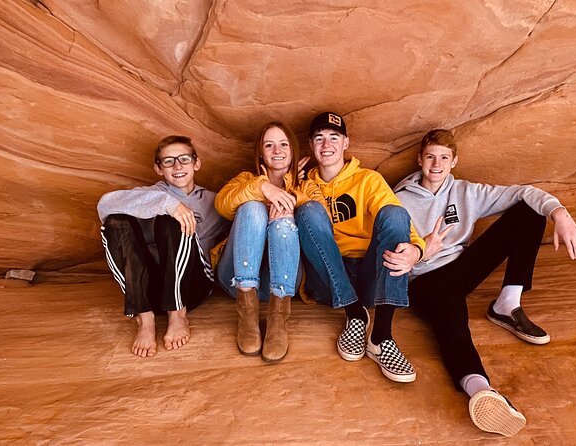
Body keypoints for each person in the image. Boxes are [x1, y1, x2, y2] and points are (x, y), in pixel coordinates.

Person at [394, 128, 576, 436]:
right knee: (453, 324)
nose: (436, 164)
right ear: (419, 159)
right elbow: (390, 251)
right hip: (424, 281)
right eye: (430, 157)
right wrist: (421, 252)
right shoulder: (399, 200)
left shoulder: (466, 192)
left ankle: (507, 304)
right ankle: (480, 389)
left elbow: (524, 192)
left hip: (460, 270)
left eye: (444, 157)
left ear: (454, 161)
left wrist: (559, 213)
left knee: (529, 211)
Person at [295, 112, 426, 383]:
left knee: (394, 213)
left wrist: (417, 249)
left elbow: (398, 219)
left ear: (346, 143)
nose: (326, 144)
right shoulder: (303, 184)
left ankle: (381, 337)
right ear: (311, 144)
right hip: (327, 277)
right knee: (308, 211)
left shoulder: (368, 180)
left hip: (367, 274)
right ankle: (354, 312)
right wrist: (290, 181)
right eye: (319, 138)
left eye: (334, 137)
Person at [98, 135, 229, 358]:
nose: (177, 166)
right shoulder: (150, 195)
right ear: (159, 169)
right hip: (150, 289)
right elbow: (105, 204)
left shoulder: (213, 201)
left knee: (172, 223)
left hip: (191, 287)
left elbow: (244, 211)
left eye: (184, 159)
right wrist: (167, 205)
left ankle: (177, 315)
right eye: (168, 161)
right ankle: (144, 317)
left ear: (196, 163)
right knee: (116, 222)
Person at [214, 122, 325, 362]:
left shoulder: (306, 186)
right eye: (269, 145)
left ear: (292, 151)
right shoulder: (246, 179)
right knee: (252, 207)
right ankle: (248, 314)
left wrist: (290, 201)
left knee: (284, 220)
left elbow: (321, 218)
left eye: (284, 144)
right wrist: (262, 187)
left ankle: (277, 319)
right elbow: (221, 204)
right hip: (237, 280)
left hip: (282, 284)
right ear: (261, 153)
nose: (277, 150)